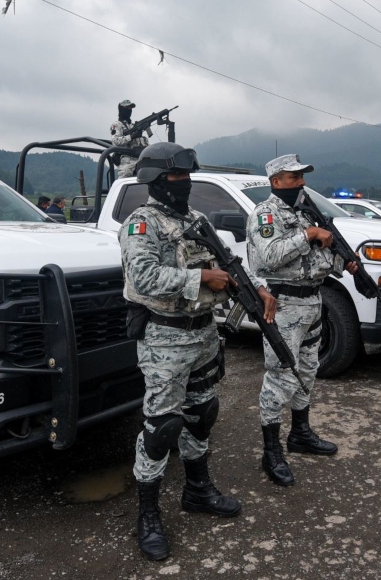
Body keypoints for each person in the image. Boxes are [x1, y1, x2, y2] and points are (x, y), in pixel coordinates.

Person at [118, 142, 276, 561]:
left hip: (205, 335)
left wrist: (255, 288)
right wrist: (201, 277)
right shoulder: (141, 223)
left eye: (186, 175)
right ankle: (148, 514)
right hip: (165, 340)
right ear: (155, 179)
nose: (183, 183)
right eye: (175, 176)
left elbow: (230, 262)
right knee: (161, 428)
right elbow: (143, 278)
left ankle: (197, 489)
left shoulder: (197, 221)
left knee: (201, 417)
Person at [246, 154, 358, 486]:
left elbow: (320, 258)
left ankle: (301, 432)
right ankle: (271, 451)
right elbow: (269, 256)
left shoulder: (305, 212)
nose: (301, 182)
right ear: (276, 181)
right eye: (294, 177)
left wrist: (342, 262)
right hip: (284, 305)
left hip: (313, 300)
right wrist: (308, 234)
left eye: (302, 176)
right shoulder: (265, 214)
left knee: (307, 370)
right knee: (280, 375)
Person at [110, 100, 150, 178]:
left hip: (139, 162)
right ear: (121, 109)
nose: (129, 110)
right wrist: (131, 136)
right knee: (123, 184)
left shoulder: (133, 126)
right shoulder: (116, 125)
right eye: (127, 107)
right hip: (126, 163)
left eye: (130, 108)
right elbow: (115, 141)